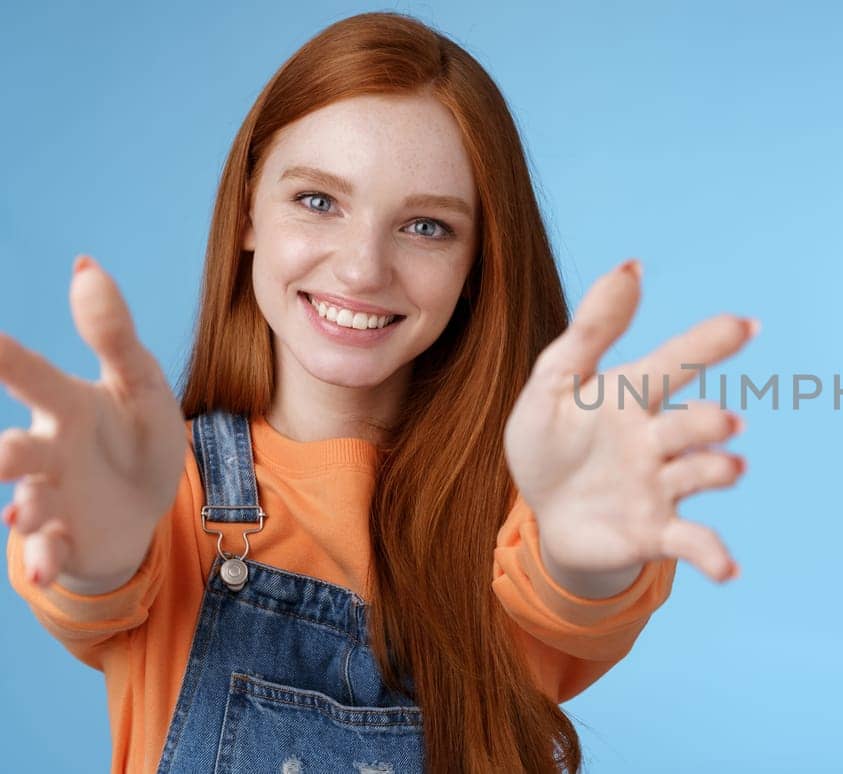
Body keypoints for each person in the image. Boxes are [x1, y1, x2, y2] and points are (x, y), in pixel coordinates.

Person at [0, 11, 753, 773]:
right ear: (249, 210)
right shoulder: (161, 491)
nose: (363, 269)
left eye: (426, 226)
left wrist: (590, 557)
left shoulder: (536, 508)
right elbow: (91, 584)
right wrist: (91, 550)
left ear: (477, 271)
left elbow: (577, 600)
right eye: (319, 201)